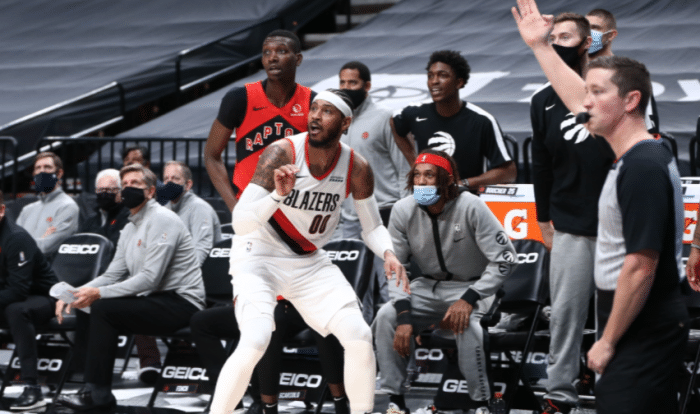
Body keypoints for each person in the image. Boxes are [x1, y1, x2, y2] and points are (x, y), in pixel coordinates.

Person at [514, 2, 689, 414]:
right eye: (585, 92)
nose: (584, 103)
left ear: (630, 101)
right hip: (635, 326)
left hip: (644, 329)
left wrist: (606, 340)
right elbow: (576, 97)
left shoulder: (643, 168)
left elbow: (640, 267)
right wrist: (541, 48)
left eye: (596, 93)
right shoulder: (634, 155)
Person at [208, 89, 409, 414]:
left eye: (326, 111)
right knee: (256, 339)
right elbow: (242, 222)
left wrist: (388, 252)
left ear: (345, 122)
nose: (315, 116)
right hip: (259, 253)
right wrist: (277, 196)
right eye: (313, 108)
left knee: (359, 335)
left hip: (308, 260)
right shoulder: (282, 152)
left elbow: (372, 227)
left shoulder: (357, 166)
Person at [373, 149, 516, 414]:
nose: (421, 181)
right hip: (427, 286)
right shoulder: (403, 210)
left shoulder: (472, 206)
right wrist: (404, 315)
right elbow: (396, 268)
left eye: (429, 175)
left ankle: (481, 403)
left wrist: (470, 298)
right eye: (417, 175)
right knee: (386, 317)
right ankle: (396, 401)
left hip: (473, 287)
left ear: (447, 180)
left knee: (467, 324)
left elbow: (506, 259)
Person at [54, 163, 205, 411]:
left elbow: (150, 278)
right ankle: (92, 388)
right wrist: (75, 293)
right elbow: (113, 274)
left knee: (103, 307)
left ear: (151, 191)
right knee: (93, 307)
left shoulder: (162, 219)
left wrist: (97, 293)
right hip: (155, 299)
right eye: (125, 184)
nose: (128, 188)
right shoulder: (129, 227)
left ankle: (98, 394)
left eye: (135, 183)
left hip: (182, 302)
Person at [525, 11, 615, 412]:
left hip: (616, 226)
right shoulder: (541, 102)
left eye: (565, 37)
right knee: (564, 316)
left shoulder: (612, 91)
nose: (556, 42)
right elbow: (541, 165)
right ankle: (559, 395)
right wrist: (543, 219)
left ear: (585, 43)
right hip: (570, 225)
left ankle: (612, 394)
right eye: (553, 37)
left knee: (613, 319)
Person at [204, 29, 314, 213]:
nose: (272, 58)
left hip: (296, 208)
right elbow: (211, 155)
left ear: (298, 59)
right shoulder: (239, 98)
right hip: (251, 207)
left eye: (281, 51)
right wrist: (234, 207)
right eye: (266, 52)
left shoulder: (313, 102)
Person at [335, 60, 410, 322]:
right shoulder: (338, 122)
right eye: (342, 82)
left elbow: (404, 167)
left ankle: (399, 344)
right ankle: (362, 343)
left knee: (391, 283)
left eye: (352, 83)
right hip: (350, 218)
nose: (346, 87)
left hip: (384, 214)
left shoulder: (385, 117)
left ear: (367, 86)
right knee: (353, 288)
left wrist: (404, 211)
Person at [390, 50, 515, 191]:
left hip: (468, 199)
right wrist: (415, 162)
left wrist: (463, 184)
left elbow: (509, 172)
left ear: (459, 82)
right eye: (430, 76)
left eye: (443, 75)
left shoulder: (481, 120)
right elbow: (394, 122)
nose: (434, 81)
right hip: (427, 197)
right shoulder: (416, 112)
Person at [0, 189, 59, 411]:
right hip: (10, 295)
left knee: (16, 311)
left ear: (2, 210)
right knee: (13, 308)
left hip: (44, 297)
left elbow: (18, 291)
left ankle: (32, 389)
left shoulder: (16, 238)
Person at [586, 9, 659, 133]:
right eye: (585, 28)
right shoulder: (569, 73)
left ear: (611, 35)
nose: (588, 33)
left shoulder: (632, 76)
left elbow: (650, 128)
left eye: (595, 28)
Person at [16, 151, 79, 259]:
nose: (42, 171)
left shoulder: (68, 207)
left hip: (48, 267)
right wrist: (42, 238)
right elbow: (12, 241)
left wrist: (20, 246)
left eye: (47, 167)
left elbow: (46, 247)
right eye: (38, 168)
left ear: (59, 173)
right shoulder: (27, 210)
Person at [162, 160, 222, 266]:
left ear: (188, 185)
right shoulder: (165, 209)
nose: (169, 182)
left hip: (197, 272)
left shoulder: (200, 208)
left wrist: (183, 274)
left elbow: (202, 247)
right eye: (166, 179)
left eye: (175, 178)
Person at [79, 168, 129, 248]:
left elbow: (114, 246)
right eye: (100, 190)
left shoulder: (128, 217)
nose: (104, 193)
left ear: (121, 191)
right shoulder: (90, 221)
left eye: (110, 190)